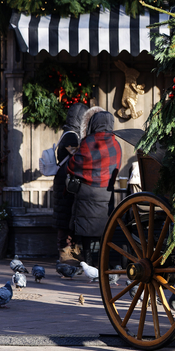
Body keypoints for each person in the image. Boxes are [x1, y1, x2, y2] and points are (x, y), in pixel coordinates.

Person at [67, 107, 123, 266]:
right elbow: (116, 166)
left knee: (85, 230)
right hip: (106, 193)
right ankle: (103, 262)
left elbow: (73, 165)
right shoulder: (116, 144)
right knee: (104, 228)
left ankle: (88, 260)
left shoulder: (87, 142)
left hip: (87, 193)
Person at [52, 102, 87, 263]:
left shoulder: (67, 133)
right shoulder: (72, 136)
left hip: (63, 180)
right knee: (66, 217)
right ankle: (66, 252)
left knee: (65, 216)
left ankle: (69, 250)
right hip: (67, 181)